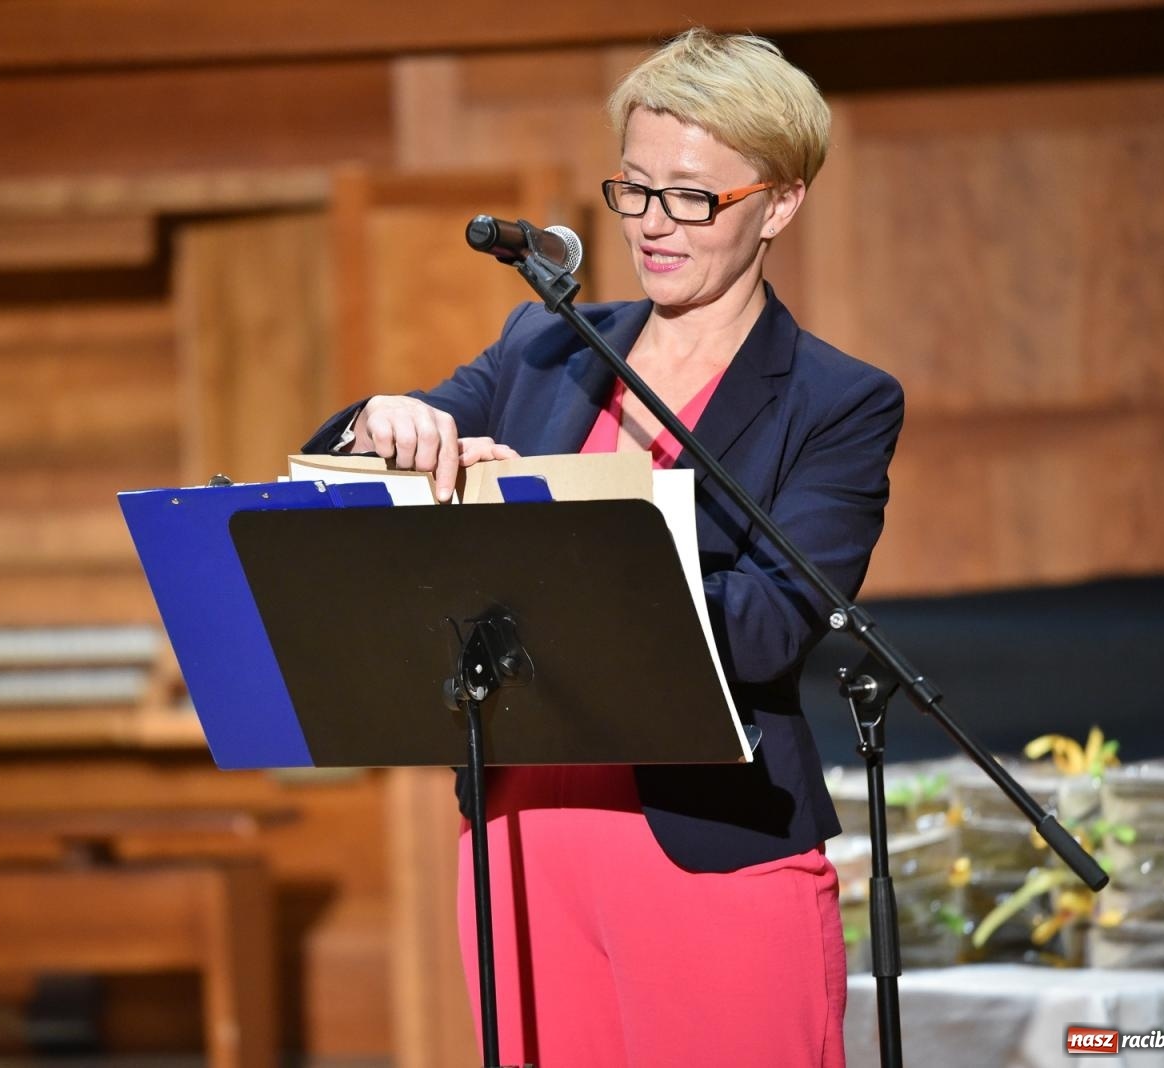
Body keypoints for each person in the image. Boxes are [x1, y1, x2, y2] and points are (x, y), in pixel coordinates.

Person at [303, 27, 902, 1068]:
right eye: (632, 190)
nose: (652, 226)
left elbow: (768, 625)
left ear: (781, 202)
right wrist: (379, 423)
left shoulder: (836, 401)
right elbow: (359, 452)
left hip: (708, 845)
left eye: (690, 197)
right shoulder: (543, 344)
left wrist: (588, 542)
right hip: (519, 841)